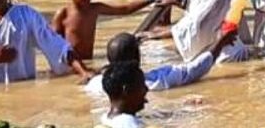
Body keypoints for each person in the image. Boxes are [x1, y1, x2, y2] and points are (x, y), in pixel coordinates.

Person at [85, 29, 235, 97]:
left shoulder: (94, 85)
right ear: (138, 58)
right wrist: (220, 41)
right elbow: (195, 69)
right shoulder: (156, 81)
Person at [51, 0, 155, 60]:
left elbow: (125, 9)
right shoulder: (63, 14)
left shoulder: (95, 9)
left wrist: (152, 0)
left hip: (89, 61)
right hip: (70, 64)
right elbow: (52, 43)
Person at [101, 61, 147, 128]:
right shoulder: (128, 123)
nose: (146, 89)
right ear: (127, 90)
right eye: (142, 85)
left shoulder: (105, 118)